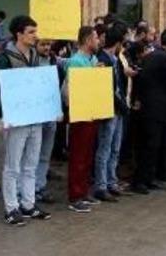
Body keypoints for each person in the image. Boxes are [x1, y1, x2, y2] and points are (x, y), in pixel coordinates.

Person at [0, 16, 51, 225]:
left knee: (31, 164)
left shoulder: (35, 55)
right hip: (16, 118)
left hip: (35, 116)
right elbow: (1, 89)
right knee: (13, 165)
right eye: (31, 32)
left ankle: (28, 204)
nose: (35, 36)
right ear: (19, 34)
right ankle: (11, 208)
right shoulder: (5, 58)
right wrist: (3, 116)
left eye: (35, 32)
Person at [131, 30, 166, 194]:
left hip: (149, 106)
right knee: (151, 145)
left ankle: (148, 179)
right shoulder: (165, 58)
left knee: (151, 145)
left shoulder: (151, 56)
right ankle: (141, 180)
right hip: (156, 107)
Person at [64, 26, 102, 212]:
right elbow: (75, 87)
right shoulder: (75, 61)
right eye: (96, 38)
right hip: (80, 113)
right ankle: (75, 195)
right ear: (87, 40)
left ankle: (84, 190)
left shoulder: (92, 59)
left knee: (87, 155)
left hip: (92, 111)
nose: (98, 41)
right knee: (78, 155)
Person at [94, 24, 128, 202]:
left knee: (115, 147)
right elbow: (107, 88)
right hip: (109, 109)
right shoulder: (102, 59)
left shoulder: (115, 59)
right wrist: (121, 104)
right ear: (118, 42)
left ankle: (111, 181)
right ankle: (101, 184)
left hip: (118, 108)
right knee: (105, 148)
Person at [35, 39, 60, 203]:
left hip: (51, 111)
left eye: (48, 44)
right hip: (36, 113)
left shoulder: (53, 60)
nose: (46, 47)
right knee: (33, 154)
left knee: (45, 153)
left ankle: (40, 185)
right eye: (42, 44)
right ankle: (31, 189)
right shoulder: (31, 61)